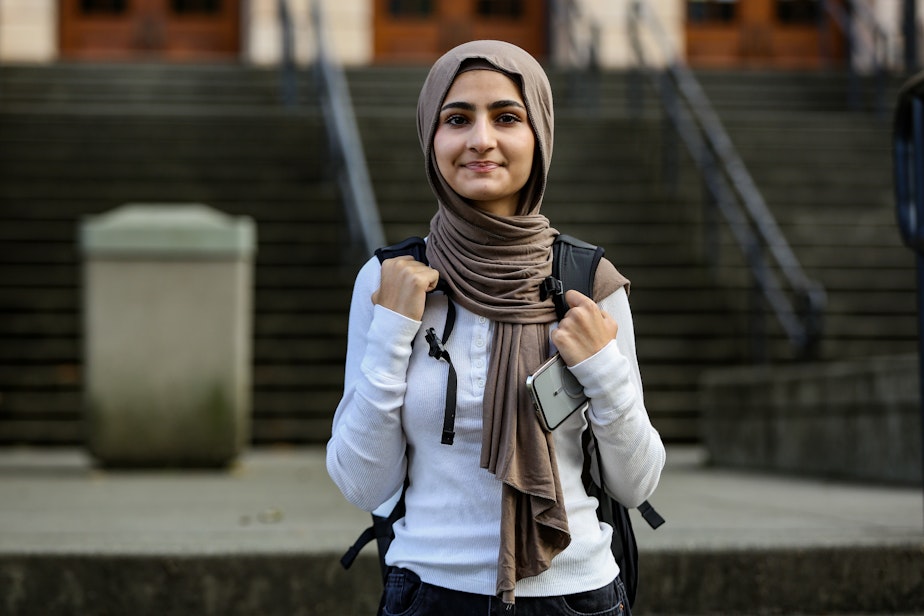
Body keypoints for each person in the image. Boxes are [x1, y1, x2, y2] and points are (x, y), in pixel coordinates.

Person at [327, 39, 665, 616]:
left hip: (577, 595)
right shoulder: (389, 282)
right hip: (428, 593)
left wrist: (603, 369)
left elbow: (636, 485)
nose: (481, 140)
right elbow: (363, 485)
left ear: (540, 135)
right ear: (431, 139)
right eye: (457, 119)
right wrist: (392, 332)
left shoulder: (589, 282)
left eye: (507, 117)